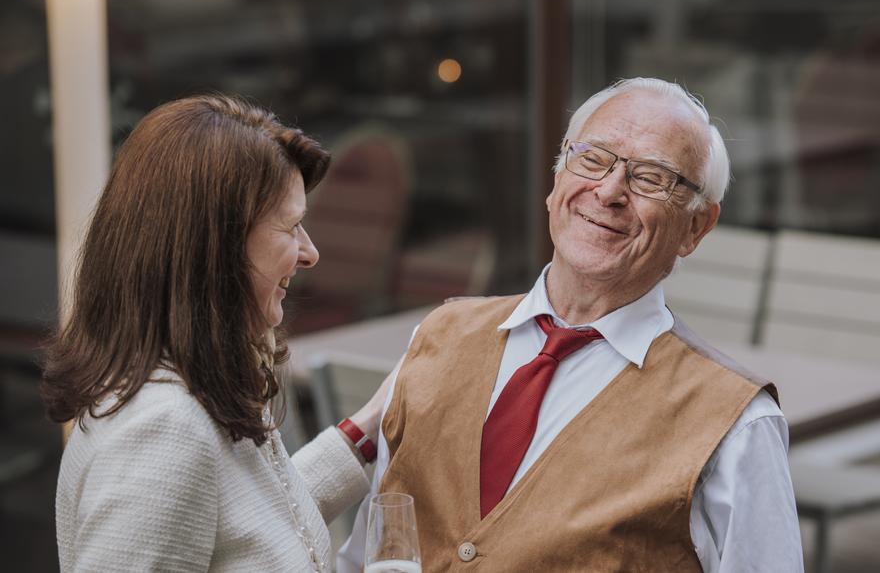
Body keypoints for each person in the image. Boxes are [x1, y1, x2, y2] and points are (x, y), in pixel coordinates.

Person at [339, 77, 803, 572]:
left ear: (695, 227)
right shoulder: (436, 338)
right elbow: (369, 553)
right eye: (592, 158)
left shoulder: (737, 425)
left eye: (649, 177)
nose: (608, 191)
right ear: (557, 178)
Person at [42, 94, 390, 572]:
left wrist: (371, 424)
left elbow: (253, 530)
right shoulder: (164, 434)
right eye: (290, 226)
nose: (309, 253)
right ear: (217, 248)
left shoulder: (195, 384)